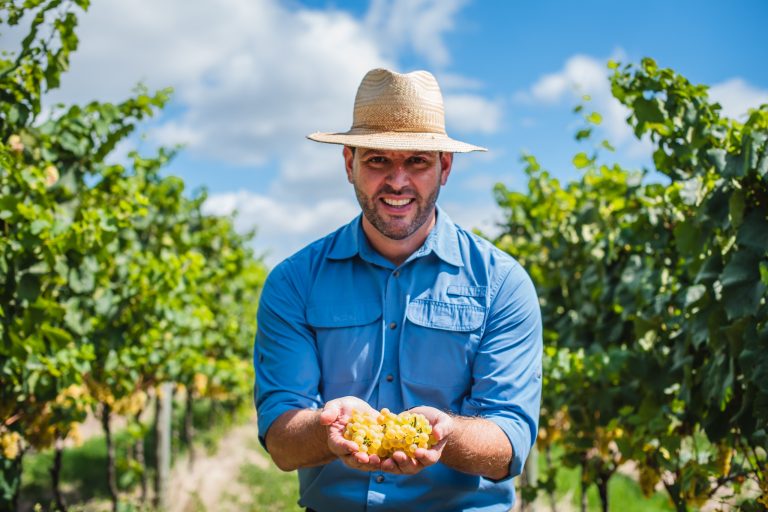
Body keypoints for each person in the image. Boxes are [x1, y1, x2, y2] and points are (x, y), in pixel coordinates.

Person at [253, 68, 542, 512]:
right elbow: (281, 442)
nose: (398, 181)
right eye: (377, 160)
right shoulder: (294, 282)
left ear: (445, 167)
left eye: (417, 161)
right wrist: (330, 430)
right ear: (348, 162)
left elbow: (510, 441)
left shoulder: (502, 284)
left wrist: (444, 435)